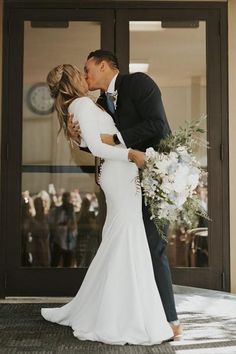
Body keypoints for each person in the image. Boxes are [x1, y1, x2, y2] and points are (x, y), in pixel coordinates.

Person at [41, 64, 174, 345]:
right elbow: (98, 147)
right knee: (126, 238)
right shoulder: (81, 105)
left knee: (121, 239)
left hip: (121, 173)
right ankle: (122, 315)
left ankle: (117, 308)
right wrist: (132, 155)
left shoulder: (85, 105)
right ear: (71, 81)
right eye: (80, 72)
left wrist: (116, 151)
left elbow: (93, 140)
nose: (84, 75)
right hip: (120, 172)